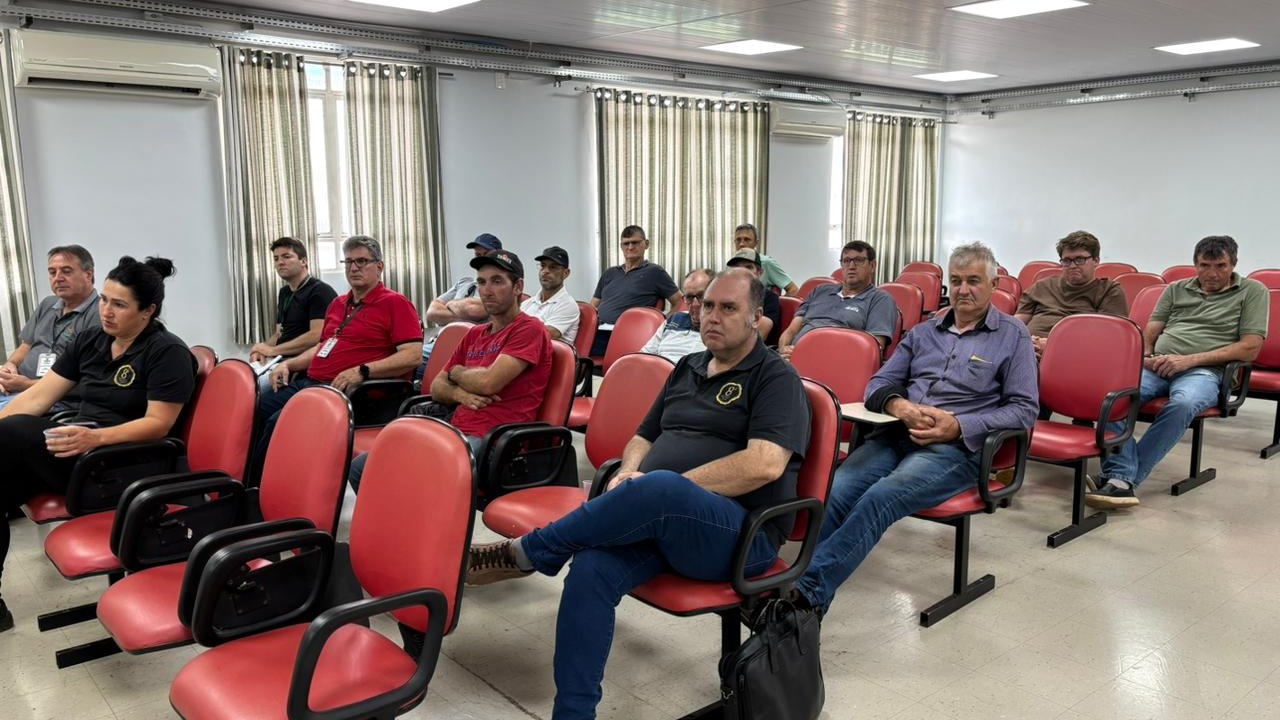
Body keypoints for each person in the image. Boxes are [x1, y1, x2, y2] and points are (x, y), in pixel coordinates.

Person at [466, 268, 810, 720]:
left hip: (741, 535)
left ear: (755, 317)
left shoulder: (774, 377)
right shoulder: (687, 367)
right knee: (590, 569)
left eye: (728, 308)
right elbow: (643, 436)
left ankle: (531, 551)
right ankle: (573, 714)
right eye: (706, 305)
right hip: (663, 521)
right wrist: (629, 473)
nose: (711, 316)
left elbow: (764, 463)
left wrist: (664, 490)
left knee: (660, 485)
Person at [792, 242, 1038, 614]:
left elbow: (1024, 410)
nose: (963, 289)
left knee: (880, 497)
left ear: (994, 284)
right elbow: (879, 383)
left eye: (973, 281)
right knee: (837, 489)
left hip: (955, 450)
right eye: (956, 280)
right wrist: (899, 405)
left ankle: (803, 597)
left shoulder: (1012, 336)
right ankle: (806, 594)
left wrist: (958, 425)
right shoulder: (925, 332)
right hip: (897, 434)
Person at [0, 256, 196, 633]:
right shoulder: (91, 340)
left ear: (148, 310)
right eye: (104, 299)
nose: (105, 311)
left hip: (119, 462)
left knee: (15, 432)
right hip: (75, 449)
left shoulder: (167, 352)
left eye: (119, 304)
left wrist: (96, 437)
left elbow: (158, 424)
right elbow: (38, 397)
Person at [1086, 235, 1269, 509]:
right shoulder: (1176, 289)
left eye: (1220, 266)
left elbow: (1250, 348)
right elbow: (1151, 332)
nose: (1212, 273)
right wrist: (1147, 357)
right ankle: (1122, 478)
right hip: (1160, 364)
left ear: (1233, 264)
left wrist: (1188, 361)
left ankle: (1121, 478)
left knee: (1183, 404)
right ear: (1195, 264)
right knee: (1111, 396)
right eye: (1204, 265)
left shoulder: (1252, 291)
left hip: (1207, 371)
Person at [348, 249, 552, 490]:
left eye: (497, 281)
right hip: (453, 426)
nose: (487, 290)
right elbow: (437, 387)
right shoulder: (475, 334)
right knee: (362, 467)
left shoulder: (529, 329)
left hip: (493, 440)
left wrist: (456, 373)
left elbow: (488, 383)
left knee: (408, 477)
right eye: (482, 282)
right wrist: (459, 393)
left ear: (518, 287)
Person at [253, 236, 422, 480]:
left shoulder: (395, 303)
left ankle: (261, 489)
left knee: (279, 423)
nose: (354, 268)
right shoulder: (338, 304)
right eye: (349, 262)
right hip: (310, 383)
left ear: (379, 266)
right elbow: (322, 346)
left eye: (362, 261)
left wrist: (362, 371)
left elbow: (412, 356)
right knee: (253, 408)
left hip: (351, 393)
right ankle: (244, 481)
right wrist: (289, 363)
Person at [1, 246, 102, 412]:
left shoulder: (99, 314)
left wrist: (26, 384)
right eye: (52, 272)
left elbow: (87, 381)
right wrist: (9, 366)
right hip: (16, 387)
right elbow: (26, 346)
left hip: (53, 400)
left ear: (88, 275)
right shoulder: (48, 304)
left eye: (66, 271)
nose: (58, 278)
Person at [1015, 230, 1128, 358]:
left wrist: (1052, 344)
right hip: (1027, 351)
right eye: (1067, 261)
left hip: (1076, 355)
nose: (1072, 266)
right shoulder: (1042, 286)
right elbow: (1016, 324)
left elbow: (1108, 337)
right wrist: (1025, 342)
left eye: (1080, 259)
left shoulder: (1109, 291)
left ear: (1096, 261)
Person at [777, 241, 899, 358]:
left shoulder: (880, 300)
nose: (851, 266)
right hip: (793, 357)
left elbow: (872, 349)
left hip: (835, 362)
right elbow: (791, 331)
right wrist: (784, 349)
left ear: (872, 266)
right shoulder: (820, 291)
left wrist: (810, 354)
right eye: (846, 261)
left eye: (858, 260)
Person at [247, 237, 338, 387]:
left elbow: (317, 335)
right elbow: (280, 333)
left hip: (299, 365)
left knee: (250, 392)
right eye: (276, 259)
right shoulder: (284, 292)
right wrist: (261, 350)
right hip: (278, 360)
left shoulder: (320, 291)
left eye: (286, 257)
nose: (280, 262)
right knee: (237, 383)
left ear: (304, 261)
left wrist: (272, 350)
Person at [418, 233, 502, 378]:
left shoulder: (498, 287)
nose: (481, 259)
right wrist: (464, 315)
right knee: (402, 357)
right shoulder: (464, 282)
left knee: (408, 363)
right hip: (437, 343)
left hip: (466, 349)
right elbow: (432, 312)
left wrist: (450, 304)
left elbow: (475, 310)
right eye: (477, 255)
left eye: (486, 254)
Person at [590, 225, 681, 357]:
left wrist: (661, 323)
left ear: (646, 244)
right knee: (569, 348)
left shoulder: (655, 272)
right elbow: (592, 306)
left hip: (629, 336)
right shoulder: (610, 273)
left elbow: (680, 302)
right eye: (626, 243)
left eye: (635, 242)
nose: (630, 247)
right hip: (599, 332)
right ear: (621, 246)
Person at [639, 269, 713, 362]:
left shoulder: (720, 328)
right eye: (689, 297)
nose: (695, 304)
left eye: (701, 296)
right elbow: (643, 355)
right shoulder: (674, 319)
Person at [520, 246, 579, 343]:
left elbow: (543, 334)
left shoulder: (568, 305)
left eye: (553, 267)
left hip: (546, 352)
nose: (545, 271)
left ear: (566, 273)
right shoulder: (527, 303)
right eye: (542, 266)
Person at [725, 249, 780, 339]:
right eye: (737, 268)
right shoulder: (725, 295)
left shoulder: (769, 298)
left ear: (759, 273)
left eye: (748, 267)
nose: (742, 272)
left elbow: (758, 335)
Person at [733, 223, 798, 296]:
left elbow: (793, 289)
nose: (741, 244)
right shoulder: (731, 265)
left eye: (747, 239)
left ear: (756, 243)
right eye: (738, 240)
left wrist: (774, 302)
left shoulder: (766, 263)